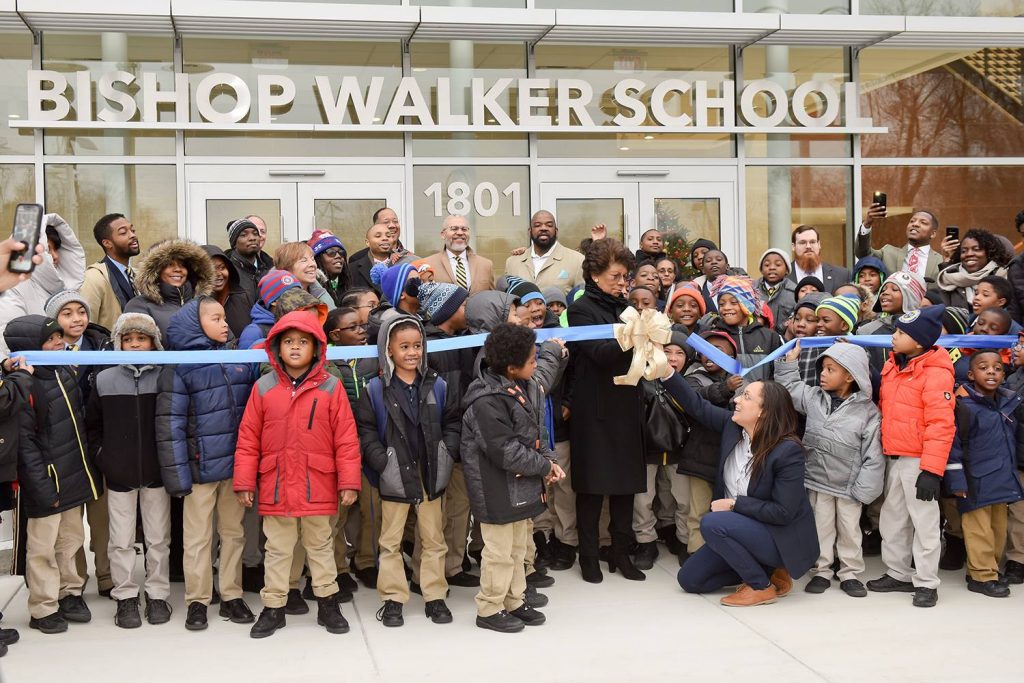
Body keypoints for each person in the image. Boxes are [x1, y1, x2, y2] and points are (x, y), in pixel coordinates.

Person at [233, 311, 361, 638]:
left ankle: (327, 603)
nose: (294, 348)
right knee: (277, 549)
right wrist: (245, 481)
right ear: (276, 347)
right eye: (288, 342)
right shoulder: (263, 388)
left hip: (318, 483)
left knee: (321, 546)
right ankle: (274, 607)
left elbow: (346, 438)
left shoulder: (331, 388)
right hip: (277, 485)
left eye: (302, 342)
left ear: (316, 348)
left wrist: (348, 481)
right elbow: (248, 438)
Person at [662, 372, 819, 607]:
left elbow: (783, 512)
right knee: (690, 580)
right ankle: (766, 571)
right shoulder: (732, 427)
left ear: (763, 412)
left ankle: (760, 586)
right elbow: (696, 406)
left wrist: (735, 504)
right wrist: (666, 373)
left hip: (777, 537)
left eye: (746, 396)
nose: (736, 400)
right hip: (737, 531)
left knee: (712, 522)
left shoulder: (787, 451)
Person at [157, 298, 258, 631]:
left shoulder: (236, 359)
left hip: (233, 469)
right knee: (198, 538)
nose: (225, 324)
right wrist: (178, 476)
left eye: (225, 317)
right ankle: (198, 600)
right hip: (199, 471)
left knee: (233, 533)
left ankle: (231, 595)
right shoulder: (182, 365)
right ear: (194, 324)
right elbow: (169, 424)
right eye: (216, 318)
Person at [354, 315, 461, 628]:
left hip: (430, 471)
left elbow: (453, 421)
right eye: (404, 346)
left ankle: (434, 596)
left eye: (417, 346)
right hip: (394, 473)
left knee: (433, 538)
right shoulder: (375, 389)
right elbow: (366, 430)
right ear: (388, 350)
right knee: (390, 541)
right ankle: (392, 598)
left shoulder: (438, 385)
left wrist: (446, 451)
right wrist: (381, 461)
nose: (412, 352)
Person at [461, 323, 565, 633]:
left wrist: (548, 459)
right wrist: (544, 468)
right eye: (533, 360)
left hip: (523, 483)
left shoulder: (527, 385)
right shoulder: (485, 399)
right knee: (499, 552)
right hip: (494, 487)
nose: (537, 364)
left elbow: (536, 431)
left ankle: (514, 600)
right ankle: (490, 607)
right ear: (511, 367)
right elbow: (505, 451)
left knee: (519, 547)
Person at [6, 315, 102, 633]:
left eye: (58, 337)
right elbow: (25, 444)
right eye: (49, 340)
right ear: (30, 348)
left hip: (73, 474)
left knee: (71, 540)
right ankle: (43, 607)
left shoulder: (65, 370)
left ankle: (70, 593)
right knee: (42, 548)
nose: (58, 343)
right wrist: (40, 485)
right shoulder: (24, 385)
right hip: (46, 481)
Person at [566, 238, 646, 583]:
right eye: (616, 276)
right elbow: (598, 353)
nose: (622, 283)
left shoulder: (625, 308)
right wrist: (635, 336)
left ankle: (621, 552)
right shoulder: (582, 309)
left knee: (625, 485)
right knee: (591, 487)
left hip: (627, 404)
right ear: (595, 274)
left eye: (625, 277)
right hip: (594, 408)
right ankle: (587, 555)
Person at [777, 341, 884, 597]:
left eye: (830, 369)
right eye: (822, 368)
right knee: (820, 527)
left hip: (849, 486)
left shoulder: (868, 412)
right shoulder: (814, 398)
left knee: (849, 530)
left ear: (850, 375)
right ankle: (822, 570)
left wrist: (864, 490)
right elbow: (790, 388)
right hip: (816, 481)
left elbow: (874, 454)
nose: (822, 374)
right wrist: (789, 362)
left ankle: (849, 572)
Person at [86, 312, 172, 628]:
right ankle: (125, 597)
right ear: (118, 342)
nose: (134, 344)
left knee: (158, 537)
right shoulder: (105, 379)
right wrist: (103, 457)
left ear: (154, 342)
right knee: (120, 540)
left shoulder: (165, 376)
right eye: (128, 339)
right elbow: (93, 425)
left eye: (142, 338)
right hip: (119, 473)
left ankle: (158, 594)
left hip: (155, 473)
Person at [866, 305, 955, 608]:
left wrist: (931, 470)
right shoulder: (894, 365)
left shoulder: (936, 374)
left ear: (918, 342)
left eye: (901, 333)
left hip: (919, 460)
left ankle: (927, 581)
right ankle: (898, 572)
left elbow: (941, 424)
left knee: (925, 522)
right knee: (893, 519)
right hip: (894, 455)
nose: (893, 336)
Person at [944, 350, 1024, 598]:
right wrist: (956, 480)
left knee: (998, 528)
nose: (992, 371)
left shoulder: (1008, 402)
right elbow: (953, 446)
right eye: (984, 367)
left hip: (1001, 479)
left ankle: (990, 569)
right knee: (978, 529)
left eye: (998, 368)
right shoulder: (963, 406)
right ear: (971, 374)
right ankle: (981, 575)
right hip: (974, 480)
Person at [415, 281, 479, 589]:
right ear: (447, 311)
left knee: (459, 505)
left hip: (462, 435)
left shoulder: (466, 340)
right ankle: (424, 573)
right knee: (431, 514)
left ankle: (453, 565)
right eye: (463, 305)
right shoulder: (425, 343)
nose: (468, 310)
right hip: (432, 437)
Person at [323, 307, 381, 589]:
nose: (362, 332)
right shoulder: (326, 362)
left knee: (371, 507)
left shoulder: (372, 359)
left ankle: (367, 561)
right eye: (354, 328)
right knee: (338, 511)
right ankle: (338, 567)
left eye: (363, 326)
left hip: (370, 443)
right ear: (335, 334)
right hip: (339, 446)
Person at [633, 332, 692, 569]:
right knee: (642, 499)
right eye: (667, 351)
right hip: (647, 448)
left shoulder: (691, 380)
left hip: (680, 449)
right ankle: (645, 541)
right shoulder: (642, 377)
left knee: (682, 499)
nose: (673, 358)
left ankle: (684, 540)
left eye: (680, 353)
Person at [679, 332, 740, 559]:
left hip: (730, 457)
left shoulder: (742, 379)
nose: (709, 355)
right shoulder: (693, 377)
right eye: (705, 350)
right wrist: (726, 388)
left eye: (719, 350)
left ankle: (722, 554)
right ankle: (695, 552)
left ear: (733, 356)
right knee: (698, 510)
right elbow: (698, 400)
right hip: (700, 456)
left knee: (725, 510)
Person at [0, 214, 85, 356]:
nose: (56, 256)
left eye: (57, 249)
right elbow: (7, 338)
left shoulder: (67, 287)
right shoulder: (13, 287)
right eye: (49, 250)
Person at [124, 239, 214, 341]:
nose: (177, 269)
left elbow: (226, 339)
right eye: (169, 264)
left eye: (182, 265)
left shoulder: (204, 304)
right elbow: (136, 347)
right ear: (156, 270)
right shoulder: (139, 305)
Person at [706, 275, 782, 382]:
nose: (726, 308)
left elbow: (779, 375)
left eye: (734, 303)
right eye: (721, 304)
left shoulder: (769, 337)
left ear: (747, 305)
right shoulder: (713, 337)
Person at [81, 213, 140, 332]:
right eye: (123, 232)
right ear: (107, 243)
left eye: (132, 230)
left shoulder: (138, 275)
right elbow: (87, 326)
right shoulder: (93, 277)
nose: (132, 235)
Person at [504, 210, 585, 296]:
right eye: (537, 225)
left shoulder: (577, 261)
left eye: (549, 225)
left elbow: (582, 300)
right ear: (530, 231)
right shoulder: (512, 262)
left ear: (556, 231)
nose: (543, 228)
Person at [856, 205, 944, 282]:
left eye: (923, 222)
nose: (915, 224)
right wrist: (867, 224)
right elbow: (864, 255)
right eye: (912, 221)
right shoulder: (887, 253)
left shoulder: (941, 261)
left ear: (933, 233)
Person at [936, 228, 1010, 309]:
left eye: (976, 249)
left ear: (988, 253)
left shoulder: (1002, 275)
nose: (969, 254)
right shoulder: (948, 279)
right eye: (964, 251)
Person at [421, 215, 495, 295]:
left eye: (464, 229)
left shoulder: (486, 265)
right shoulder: (427, 265)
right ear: (443, 234)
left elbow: (492, 299)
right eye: (454, 229)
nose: (460, 233)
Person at [202, 245, 253, 338]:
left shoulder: (243, 297)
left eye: (222, 267)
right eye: (211, 269)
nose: (218, 274)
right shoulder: (195, 303)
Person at [225, 217, 274, 304]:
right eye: (244, 235)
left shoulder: (270, 270)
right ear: (234, 243)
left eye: (255, 234)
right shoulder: (227, 272)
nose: (252, 238)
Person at [275, 242, 335, 312]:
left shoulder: (320, 291)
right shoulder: (280, 300)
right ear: (286, 267)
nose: (313, 264)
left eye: (313, 259)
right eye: (304, 260)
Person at [789, 225, 851, 292]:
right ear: (793, 246)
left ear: (819, 244)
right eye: (802, 242)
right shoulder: (783, 276)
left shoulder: (842, 275)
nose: (808, 246)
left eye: (812, 242)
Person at [756, 248, 796, 333]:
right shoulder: (752, 290)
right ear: (761, 270)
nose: (772, 268)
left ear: (787, 270)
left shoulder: (794, 292)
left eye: (778, 265)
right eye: (767, 265)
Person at [308, 229, 350, 308]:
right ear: (317, 258)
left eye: (341, 252)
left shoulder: (349, 282)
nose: (338, 256)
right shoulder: (309, 287)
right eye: (331, 252)